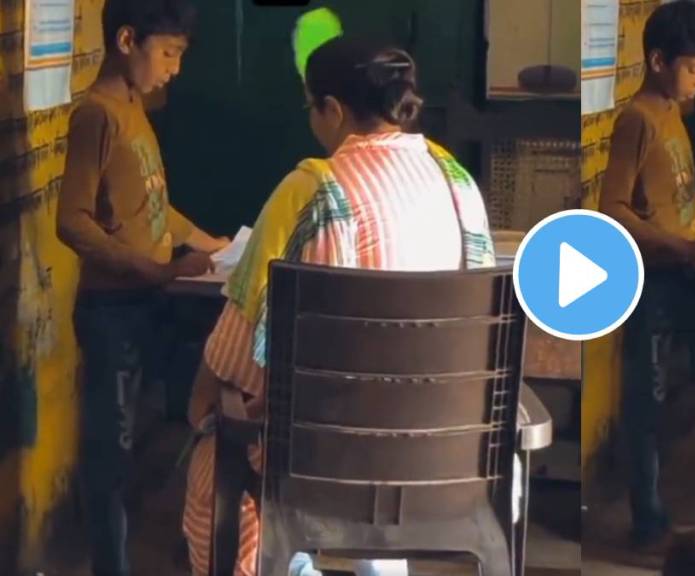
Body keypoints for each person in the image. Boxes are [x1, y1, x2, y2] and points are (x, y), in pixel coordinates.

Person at [180, 35, 498, 576]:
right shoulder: (459, 183)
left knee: (216, 463)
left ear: (332, 109)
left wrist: (201, 404)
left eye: (312, 108)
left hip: (322, 466)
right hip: (441, 459)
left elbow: (239, 344)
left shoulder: (313, 190)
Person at [56, 0, 228, 573]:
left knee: (153, 431)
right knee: (111, 452)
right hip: (112, 309)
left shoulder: (135, 108)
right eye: (168, 54)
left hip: (148, 302)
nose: (174, 69)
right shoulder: (97, 114)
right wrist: (155, 271)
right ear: (127, 40)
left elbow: (153, 206)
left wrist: (216, 244)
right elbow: (72, 219)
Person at [598, 0, 695, 548]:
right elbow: (613, 208)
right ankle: (647, 519)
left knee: (687, 388)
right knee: (647, 398)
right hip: (651, 281)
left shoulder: (672, 117)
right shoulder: (636, 119)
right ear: (659, 60)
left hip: (685, 273)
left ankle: (686, 500)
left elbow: (684, 195)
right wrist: (684, 247)